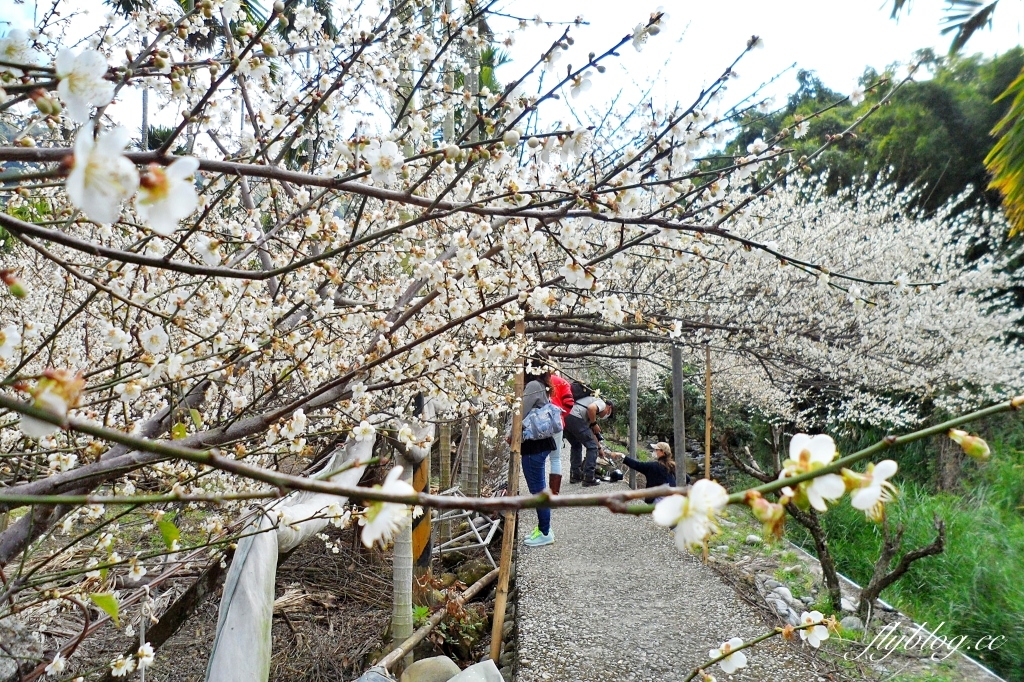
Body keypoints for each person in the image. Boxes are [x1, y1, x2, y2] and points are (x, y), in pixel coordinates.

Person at [520, 366, 559, 547]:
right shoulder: (541, 384)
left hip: (533, 446)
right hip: (540, 445)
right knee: (539, 488)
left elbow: (518, 414)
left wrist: (510, 434)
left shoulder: (533, 386)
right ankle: (544, 528)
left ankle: (545, 532)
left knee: (538, 491)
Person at [536, 350, 573, 495]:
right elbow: (570, 403)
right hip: (557, 424)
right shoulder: (562, 382)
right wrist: (561, 415)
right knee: (555, 458)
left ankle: (540, 491)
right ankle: (554, 493)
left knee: (540, 457)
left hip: (540, 424)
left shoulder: (537, 383)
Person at [564, 393, 614, 486]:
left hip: (566, 416)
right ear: (609, 408)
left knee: (576, 445)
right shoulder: (601, 403)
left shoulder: (591, 414)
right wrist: (594, 423)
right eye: (608, 414)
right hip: (575, 416)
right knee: (592, 447)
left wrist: (599, 448)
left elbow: (590, 433)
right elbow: (591, 408)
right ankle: (589, 477)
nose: (604, 416)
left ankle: (575, 475)